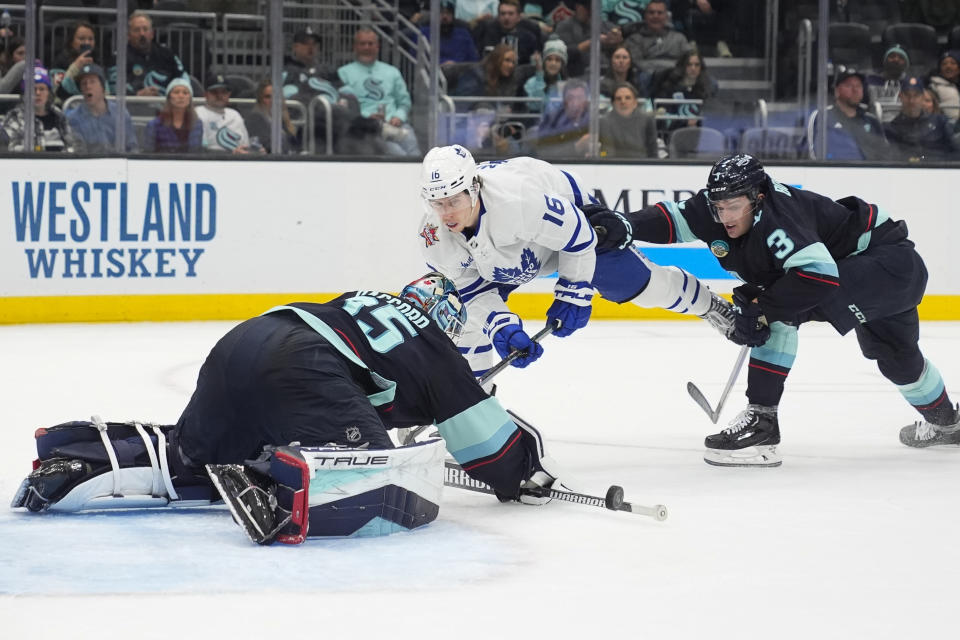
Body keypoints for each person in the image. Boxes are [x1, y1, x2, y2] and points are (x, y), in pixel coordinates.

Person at [12, 274, 567, 544]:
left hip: (246, 340)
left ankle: (80, 455)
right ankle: (262, 475)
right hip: (302, 367)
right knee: (370, 474)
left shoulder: (363, 298)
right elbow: (485, 439)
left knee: (190, 453)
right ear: (445, 319)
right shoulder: (437, 345)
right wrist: (523, 474)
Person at [585, 153, 960, 467]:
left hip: (884, 265)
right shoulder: (722, 206)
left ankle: (762, 423)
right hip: (884, 268)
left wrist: (761, 311)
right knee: (896, 356)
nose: (725, 216)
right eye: (718, 207)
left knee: (776, 308)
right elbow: (673, 218)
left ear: (758, 197)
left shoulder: (779, 221)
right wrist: (625, 224)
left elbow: (818, 277)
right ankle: (947, 423)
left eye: (734, 207)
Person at [416, 144, 734, 378]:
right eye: (437, 203)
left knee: (643, 286)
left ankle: (711, 306)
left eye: (454, 201)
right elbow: (470, 292)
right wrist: (501, 326)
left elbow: (578, 236)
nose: (446, 214)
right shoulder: (434, 235)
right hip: (506, 256)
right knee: (458, 319)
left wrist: (573, 291)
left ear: (475, 188)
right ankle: (471, 410)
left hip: (576, 221)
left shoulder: (519, 202)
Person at [337, 27, 420, 156]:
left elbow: (404, 102)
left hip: (394, 124)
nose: (367, 47)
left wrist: (398, 116)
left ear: (377, 47)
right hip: (365, 129)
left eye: (371, 44)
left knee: (414, 153)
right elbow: (343, 107)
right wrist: (366, 118)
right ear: (355, 47)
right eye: (362, 44)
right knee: (398, 154)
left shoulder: (392, 72)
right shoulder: (343, 73)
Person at [808, 67, 889, 161]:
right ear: (837, 91)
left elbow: (884, 154)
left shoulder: (872, 121)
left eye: (858, 86)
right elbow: (814, 153)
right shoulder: (822, 116)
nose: (855, 90)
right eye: (849, 85)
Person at [109, 11, 189, 97]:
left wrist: (174, 94)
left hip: (166, 105)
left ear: (152, 34)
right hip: (132, 106)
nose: (142, 34)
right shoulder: (119, 58)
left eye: (145, 29)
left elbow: (183, 78)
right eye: (136, 30)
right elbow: (114, 86)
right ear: (128, 35)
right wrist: (136, 95)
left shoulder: (167, 54)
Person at [64, 63, 138, 153]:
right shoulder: (73, 118)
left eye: (92, 81)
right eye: (84, 83)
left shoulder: (120, 114)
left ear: (102, 87)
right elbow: (77, 152)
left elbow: (132, 147)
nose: (88, 86)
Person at [1, 64, 75, 152]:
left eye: (42, 89)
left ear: (48, 93)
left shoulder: (59, 116)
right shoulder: (14, 117)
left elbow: (71, 147)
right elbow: (10, 149)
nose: (38, 93)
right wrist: (42, 147)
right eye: (33, 89)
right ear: (25, 94)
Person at [884, 76, 958, 162]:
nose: (911, 100)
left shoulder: (940, 122)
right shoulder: (891, 128)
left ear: (922, 97)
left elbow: (955, 152)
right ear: (900, 96)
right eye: (907, 95)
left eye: (916, 95)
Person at [652, 50, 717, 133]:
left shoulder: (707, 88)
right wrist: (685, 122)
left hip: (700, 133)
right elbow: (664, 114)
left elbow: (710, 114)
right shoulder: (669, 86)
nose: (693, 68)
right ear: (682, 66)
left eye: (697, 65)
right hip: (673, 132)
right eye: (689, 64)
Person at [554, 0, 623, 77]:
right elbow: (563, 52)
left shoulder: (603, 26)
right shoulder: (565, 26)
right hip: (575, 75)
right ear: (578, 7)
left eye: (592, 9)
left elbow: (618, 35)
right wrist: (593, 42)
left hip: (605, 74)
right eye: (587, 9)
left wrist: (616, 40)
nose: (589, 13)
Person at [622, 0, 690, 73]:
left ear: (667, 17)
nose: (655, 16)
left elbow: (689, 62)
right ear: (645, 16)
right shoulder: (634, 39)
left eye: (660, 13)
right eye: (651, 13)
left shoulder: (679, 38)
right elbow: (637, 64)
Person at [595, 81, 658, 158]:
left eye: (627, 98)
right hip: (613, 166)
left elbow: (653, 151)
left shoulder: (647, 120)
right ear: (613, 103)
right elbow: (604, 152)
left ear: (635, 103)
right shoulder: (604, 122)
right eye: (618, 98)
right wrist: (602, 157)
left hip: (641, 166)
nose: (623, 102)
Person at [195, 74, 253, 154]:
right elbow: (201, 150)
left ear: (229, 94)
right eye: (214, 92)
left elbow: (245, 145)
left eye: (224, 92)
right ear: (205, 95)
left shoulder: (235, 115)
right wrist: (231, 154)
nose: (219, 96)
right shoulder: (198, 114)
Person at [142, 77, 203, 153]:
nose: (181, 96)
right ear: (169, 97)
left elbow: (196, 152)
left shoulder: (197, 124)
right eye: (176, 92)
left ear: (189, 99)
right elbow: (148, 152)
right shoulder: (154, 125)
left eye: (185, 93)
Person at [471, 0, 542, 65]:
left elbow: (533, 64)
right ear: (498, 16)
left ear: (519, 17)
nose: (506, 17)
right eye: (503, 14)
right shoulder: (487, 34)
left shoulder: (529, 38)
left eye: (510, 14)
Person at [536, 78, 590, 157]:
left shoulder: (594, 120)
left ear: (585, 101)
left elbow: (607, 151)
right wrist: (576, 148)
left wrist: (598, 154)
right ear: (565, 100)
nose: (575, 103)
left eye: (579, 98)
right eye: (571, 98)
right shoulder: (552, 120)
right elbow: (544, 152)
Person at [49, 20, 100, 105]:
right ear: (71, 41)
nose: (87, 42)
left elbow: (105, 92)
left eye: (90, 39)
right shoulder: (60, 61)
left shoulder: (97, 61)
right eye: (81, 39)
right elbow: (58, 91)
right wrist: (75, 67)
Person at [244, 78, 298, 154]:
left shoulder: (281, 120)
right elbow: (268, 147)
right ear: (260, 99)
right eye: (267, 97)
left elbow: (295, 145)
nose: (272, 100)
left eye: (276, 96)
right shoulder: (255, 119)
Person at [416, 0, 479, 65]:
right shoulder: (424, 34)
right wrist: (443, 63)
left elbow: (473, 59)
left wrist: (455, 64)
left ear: (453, 16)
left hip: (460, 71)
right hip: (434, 71)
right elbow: (418, 57)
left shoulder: (463, 34)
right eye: (441, 13)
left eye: (448, 13)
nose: (445, 16)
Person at [522, 38, 567, 114]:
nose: (553, 63)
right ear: (544, 62)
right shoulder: (531, 83)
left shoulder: (567, 85)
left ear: (562, 64)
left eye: (557, 60)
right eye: (549, 59)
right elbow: (535, 106)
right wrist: (539, 76)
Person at [865, 44, 909, 108]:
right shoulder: (870, 81)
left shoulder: (910, 84)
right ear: (884, 61)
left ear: (906, 64)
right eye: (892, 56)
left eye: (901, 57)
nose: (896, 59)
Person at [925, 50, 960, 123]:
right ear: (939, 69)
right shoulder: (933, 86)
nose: (948, 66)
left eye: (953, 63)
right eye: (944, 64)